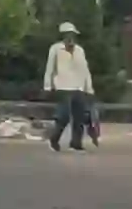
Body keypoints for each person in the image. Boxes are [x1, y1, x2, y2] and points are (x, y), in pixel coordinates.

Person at [42, 23, 98, 152]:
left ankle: (76, 143)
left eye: (72, 35)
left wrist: (89, 89)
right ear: (62, 36)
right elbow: (49, 69)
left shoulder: (79, 50)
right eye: (68, 35)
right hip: (62, 86)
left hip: (78, 87)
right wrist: (47, 86)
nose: (70, 37)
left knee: (80, 117)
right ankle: (54, 139)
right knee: (64, 116)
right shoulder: (56, 49)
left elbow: (85, 70)